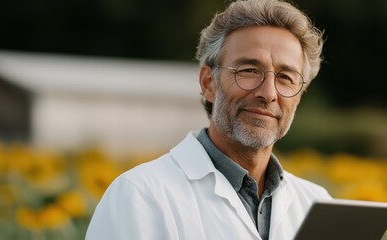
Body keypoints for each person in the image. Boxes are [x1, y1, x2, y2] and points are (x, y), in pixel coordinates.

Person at [85, 0, 330, 239]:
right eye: (248, 70)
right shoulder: (139, 195)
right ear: (208, 83)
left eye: (286, 77)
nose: (268, 93)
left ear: (299, 95)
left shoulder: (319, 205)